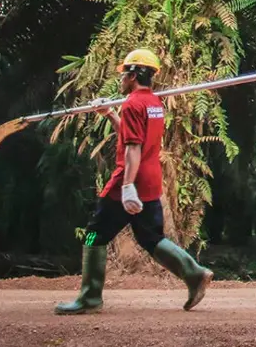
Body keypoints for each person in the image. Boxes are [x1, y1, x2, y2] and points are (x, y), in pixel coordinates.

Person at [55, 48, 214, 315]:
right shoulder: (153, 104)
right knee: (151, 238)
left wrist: (127, 186)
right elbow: (133, 137)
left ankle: (90, 298)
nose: (121, 80)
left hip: (127, 182)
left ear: (133, 74)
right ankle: (194, 273)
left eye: (123, 74)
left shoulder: (132, 104)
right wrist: (110, 114)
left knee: (94, 235)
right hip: (151, 181)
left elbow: (132, 149)